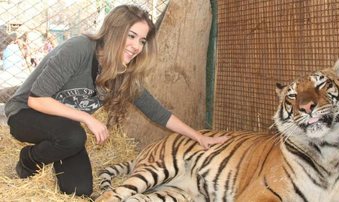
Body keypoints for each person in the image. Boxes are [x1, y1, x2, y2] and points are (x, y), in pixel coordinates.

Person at [4, 5, 228, 197]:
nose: (137, 46)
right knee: (73, 136)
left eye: (142, 40)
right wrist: (86, 118)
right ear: (113, 31)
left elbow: (157, 113)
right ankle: (29, 159)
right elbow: (37, 100)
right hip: (25, 114)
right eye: (131, 36)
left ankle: (51, 151)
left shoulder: (122, 71)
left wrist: (198, 136)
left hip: (62, 127)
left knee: (79, 191)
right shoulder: (79, 49)